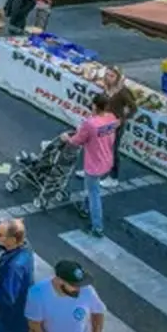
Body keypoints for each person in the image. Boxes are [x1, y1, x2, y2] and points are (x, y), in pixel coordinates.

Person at [61, 94, 119, 238]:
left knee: (94, 194)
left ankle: (97, 227)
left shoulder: (90, 123)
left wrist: (66, 138)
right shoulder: (111, 118)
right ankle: (85, 208)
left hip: (94, 163)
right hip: (107, 159)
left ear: (94, 105)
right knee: (92, 188)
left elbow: (77, 141)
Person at [101, 66, 137, 189]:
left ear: (118, 77)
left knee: (112, 150)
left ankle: (113, 177)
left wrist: (121, 120)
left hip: (115, 125)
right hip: (103, 123)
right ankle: (95, 170)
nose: (108, 78)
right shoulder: (106, 88)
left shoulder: (123, 91)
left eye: (111, 76)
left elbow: (133, 108)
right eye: (107, 74)